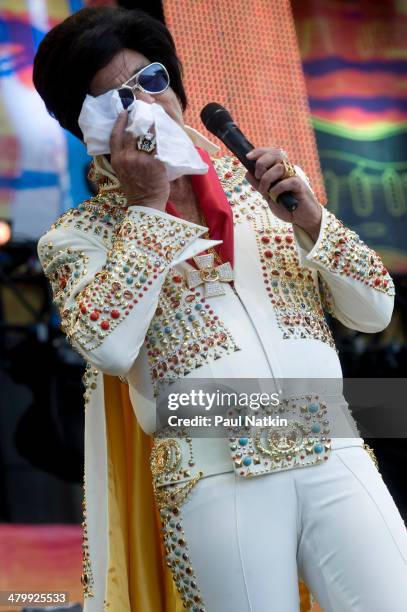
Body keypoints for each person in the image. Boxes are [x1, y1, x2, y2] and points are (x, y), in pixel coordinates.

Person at [33, 7, 407, 612]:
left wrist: (311, 220)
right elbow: (106, 345)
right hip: (214, 465)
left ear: (178, 88)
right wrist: (149, 208)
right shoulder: (79, 236)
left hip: (332, 443)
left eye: (153, 82)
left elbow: (375, 310)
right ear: (88, 128)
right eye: (116, 101)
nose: (145, 107)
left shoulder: (267, 194)